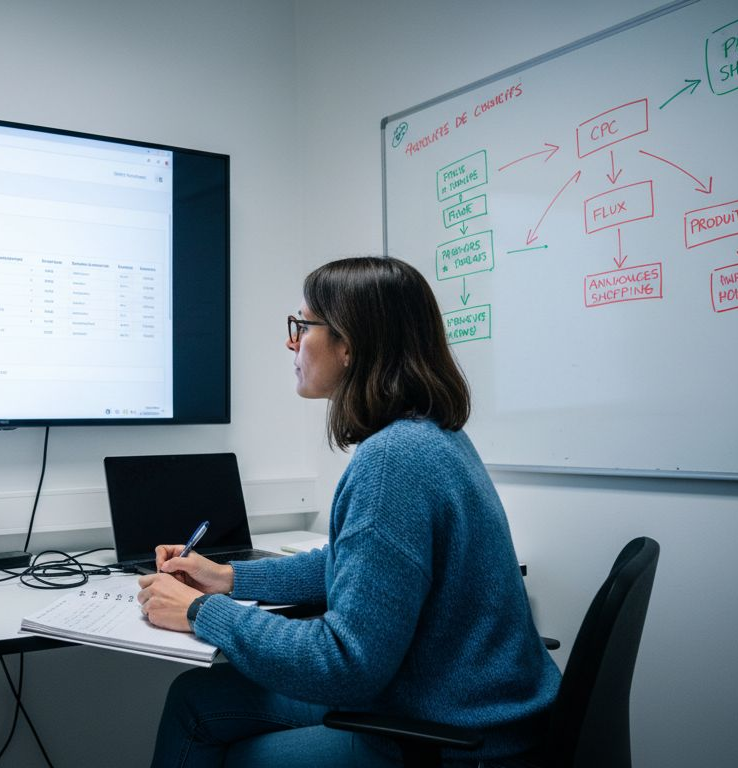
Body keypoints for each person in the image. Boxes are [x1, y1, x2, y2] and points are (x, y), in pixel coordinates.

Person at [137, 256, 560, 767]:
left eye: (303, 326)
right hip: (463, 705)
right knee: (195, 697)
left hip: (448, 737)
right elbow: (352, 565)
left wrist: (200, 612)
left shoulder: (393, 460)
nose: (292, 343)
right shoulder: (429, 435)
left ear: (349, 344)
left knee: (232, 752)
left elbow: (344, 663)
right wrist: (228, 577)